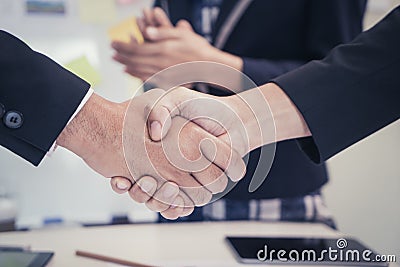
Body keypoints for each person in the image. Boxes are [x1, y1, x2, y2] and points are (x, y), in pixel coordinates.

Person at [126, 4, 400, 217]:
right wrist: (166, 75)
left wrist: (211, 65)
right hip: (180, 188)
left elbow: (342, 74)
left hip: (276, 193)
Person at [0, 30, 247, 219]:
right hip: (179, 196)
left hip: (262, 199)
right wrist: (100, 128)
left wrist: (207, 66)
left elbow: (286, 81)